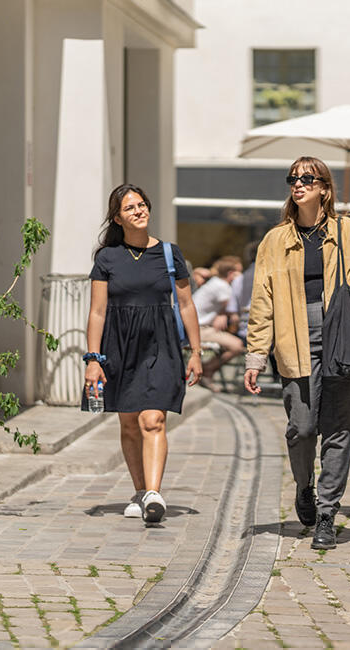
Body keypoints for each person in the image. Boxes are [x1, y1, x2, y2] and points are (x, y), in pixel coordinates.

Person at [244, 156, 350, 550]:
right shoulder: (274, 240)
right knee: (302, 428)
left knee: (339, 430)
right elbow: (262, 300)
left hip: (341, 338)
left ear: (324, 187)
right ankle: (303, 486)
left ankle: (327, 512)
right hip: (293, 341)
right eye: (293, 178)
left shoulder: (349, 232)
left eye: (307, 178)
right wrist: (256, 355)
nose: (298, 183)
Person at [83, 183, 203, 524]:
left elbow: (186, 304)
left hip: (160, 344)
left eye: (141, 205)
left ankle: (153, 493)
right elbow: (97, 312)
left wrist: (195, 351)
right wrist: (93, 359)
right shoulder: (107, 258)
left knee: (153, 419)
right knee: (129, 423)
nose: (138, 211)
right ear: (118, 218)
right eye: (130, 208)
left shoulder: (168, 253)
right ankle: (139, 490)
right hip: (118, 346)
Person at [193, 255, 245, 387]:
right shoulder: (223, 287)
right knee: (237, 345)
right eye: (239, 272)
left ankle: (207, 371)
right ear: (231, 274)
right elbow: (233, 311)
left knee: (231, 343)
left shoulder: (215, 283)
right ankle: (207, 369)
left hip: (200, 327)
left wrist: (221, 314)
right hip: (199, 328)